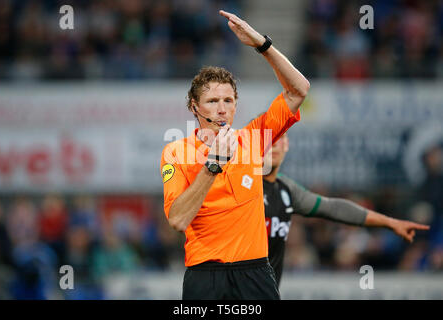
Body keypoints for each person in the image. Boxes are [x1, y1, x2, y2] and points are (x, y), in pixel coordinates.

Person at [160, 10, 310, 300]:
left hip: (255, 272)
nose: (221, 108)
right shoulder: (176, 152)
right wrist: (211, 167)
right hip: (205, 275)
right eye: (212, 101)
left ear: (236, 105)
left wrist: (261, 45)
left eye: (228, 100)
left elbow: (299, 90)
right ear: (194, 107)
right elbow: (178, 220)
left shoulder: (252, 139)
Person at [263, 134, 430, 286]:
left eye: (280, 137)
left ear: (287, 144)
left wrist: (389, 222)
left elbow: (333, 208)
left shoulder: (285, 189)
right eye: (268, 138)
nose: (275, 144)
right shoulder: (241, 185)